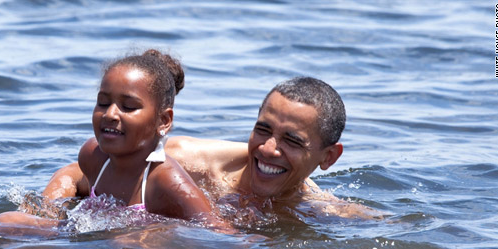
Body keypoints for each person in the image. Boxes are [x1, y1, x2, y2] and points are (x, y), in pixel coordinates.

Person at [43, 76, 375, 220]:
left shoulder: (321, 209)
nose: (269, 149)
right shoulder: (189, 160)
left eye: (292, 141)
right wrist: (49, 216)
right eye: (263, 130)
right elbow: (75, 175)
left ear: (328, 157)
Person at [0, 49, 218, 231]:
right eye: (103, 103)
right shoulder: (93, 157)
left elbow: (218, 232)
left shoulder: (165, 180)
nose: (110, 114)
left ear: (163, 121)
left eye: (128, 107)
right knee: (5, 222)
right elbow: (73, 181)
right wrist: (49, 206)